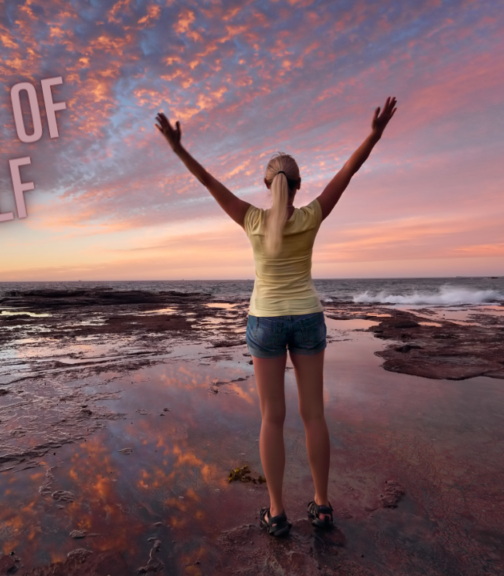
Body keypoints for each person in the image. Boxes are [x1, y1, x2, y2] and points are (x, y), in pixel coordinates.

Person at [155, 97, 397, 537]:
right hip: (307, 317)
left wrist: (177, 150)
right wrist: (373, 137)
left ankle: (277, 513)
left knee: (272, 418)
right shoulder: (310, 217)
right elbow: (348, 172)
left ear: (267, 186)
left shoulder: (251, 219)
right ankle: (322, 507)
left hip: (265, 320)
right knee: (314, 416)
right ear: (299, 186)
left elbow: (209, 181)